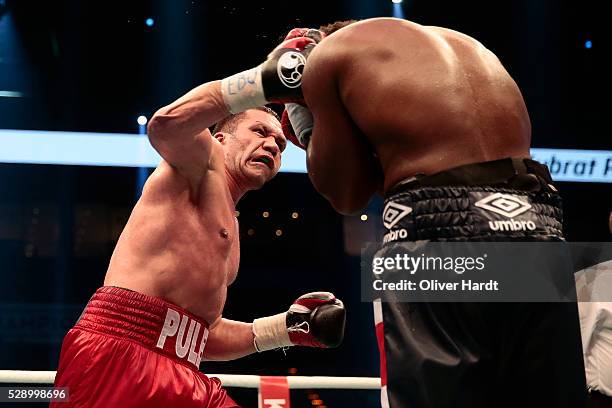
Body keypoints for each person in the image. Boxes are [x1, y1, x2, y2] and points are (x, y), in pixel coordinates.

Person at [276, 18, 588, 407]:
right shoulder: (466, 45)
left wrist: (309, 129)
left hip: (437, 233)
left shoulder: (327, 56)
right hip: (538, 223)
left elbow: (347, 194)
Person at [51, 36, 346, 408]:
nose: (273, 145)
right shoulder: (199, 166)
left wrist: (286, 329)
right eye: (259, 132)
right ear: (219, 138)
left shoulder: (231, 228)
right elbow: (166, 125)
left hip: (184, 368)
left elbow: (202, 336)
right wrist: (259, 82)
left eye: (280, 143)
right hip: (118, 353)